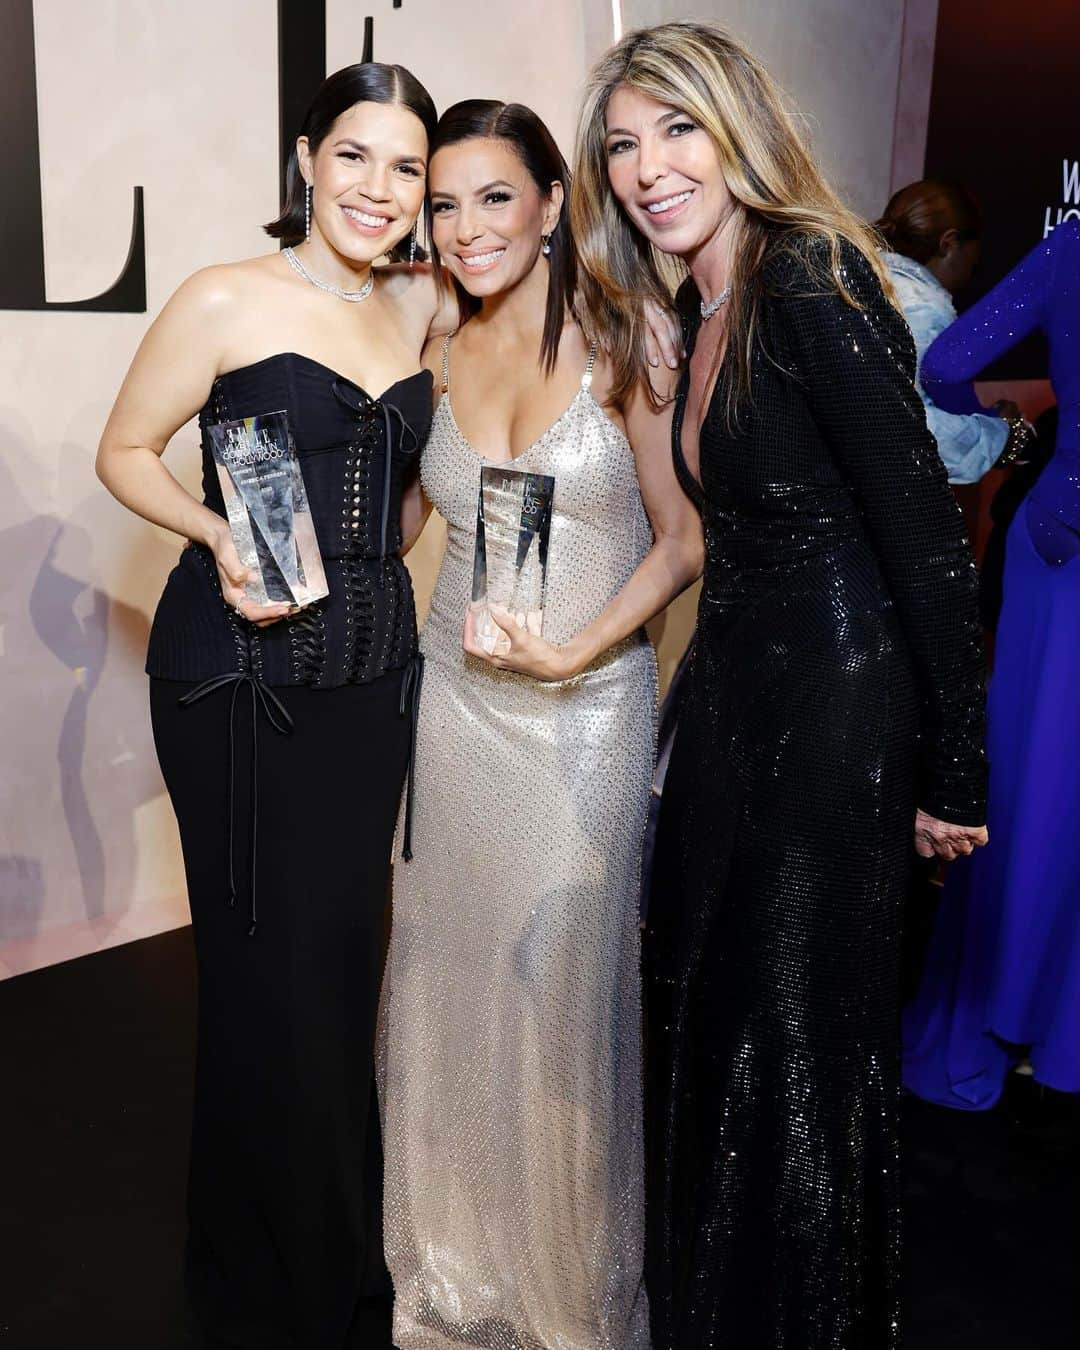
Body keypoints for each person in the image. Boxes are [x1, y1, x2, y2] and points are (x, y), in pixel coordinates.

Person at [572, 22, 989, 1348]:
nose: (648, 168)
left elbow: (924, 536)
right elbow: (716, 542)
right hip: (737, 707)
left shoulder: (812, 273)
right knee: (711, 1012)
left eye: (677, 129)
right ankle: (718, 1303)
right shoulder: (701, 301)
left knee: (798, 1055)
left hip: (837, 714)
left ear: (740, 123)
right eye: (624, 146)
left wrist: (951, 770)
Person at [96, 63, 452, 1349]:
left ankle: (339, 1250)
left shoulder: (422, 312)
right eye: (354, 156)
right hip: (237, 684)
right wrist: (218, 539)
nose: (378, 188)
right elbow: (124, 450)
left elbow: (406, 499)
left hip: (369, 685)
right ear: (306, 158)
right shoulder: (223, 297)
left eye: (406, 167)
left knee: (345, 969)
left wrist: (377, 565)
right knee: (264, 982)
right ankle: (261, 1277)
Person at [379, 98, 703, 1349]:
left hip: (584, 718)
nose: (464, 230)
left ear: (556, 201)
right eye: (443, 205)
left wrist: (580, 645)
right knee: (450, 981)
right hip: (456, 715)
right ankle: (456, 1263)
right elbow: (411, 527)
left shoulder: (633, 341)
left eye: (493, 198)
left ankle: (563, 1280)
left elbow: (684, 542)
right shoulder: (440, 346)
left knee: (558, 996)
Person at [904, 220, 1080, 1110]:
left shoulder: (1075, 245)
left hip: (1062, 547)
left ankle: (990, 1025)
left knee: (1032, 789)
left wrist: (1004, 420)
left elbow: (941, 368)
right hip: (1063, 551)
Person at [877, 180, 1032, 483]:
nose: (977, 261)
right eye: (976, 246)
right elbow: (905, 428)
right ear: (949, 243)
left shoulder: (866, 280)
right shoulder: (923, 310)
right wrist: (1005, 435)